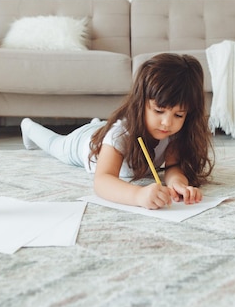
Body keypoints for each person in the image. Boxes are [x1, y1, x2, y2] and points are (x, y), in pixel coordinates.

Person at [20, 53, 214, 210]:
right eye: (158, 111)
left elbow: (173, 167)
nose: (167, 123)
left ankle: (98, 125)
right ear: (140, 104)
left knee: (106, 129)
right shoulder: (120, 134)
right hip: (82, 143)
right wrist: (138, 195)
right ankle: (28, 126)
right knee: (54, 144)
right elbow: (102, 180)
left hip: (106, 130)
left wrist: (177, 183)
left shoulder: (173, 134)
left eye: (179, 115)